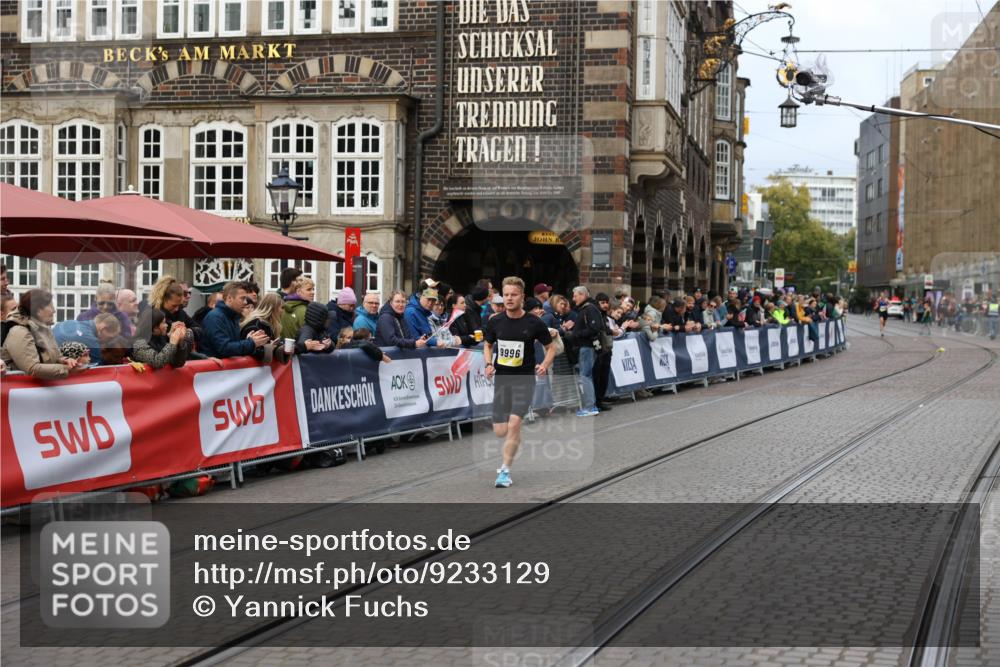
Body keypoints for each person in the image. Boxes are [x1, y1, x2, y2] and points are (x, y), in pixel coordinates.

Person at [483, 276, 556, 488]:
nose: (509, 298)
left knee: (514, 423)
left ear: (522, 297)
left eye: (513, 295)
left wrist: (545, 365)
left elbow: (550, 347)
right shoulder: (495, 321)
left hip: (524, 379)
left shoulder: (534, 322)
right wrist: (488, 364)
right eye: (506, 295)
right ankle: (515, 434)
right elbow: (487, 344)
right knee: (500, 431)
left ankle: (504, 471)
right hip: (502, 379)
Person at [2, 290, 85, 379]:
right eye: (50, 306)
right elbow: (32, 368)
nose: (54, 311)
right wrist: (66, 369)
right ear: (38, 310)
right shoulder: (19, 331)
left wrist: (66, 361)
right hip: (19, 389)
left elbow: (56, 357)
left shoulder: (44, 329)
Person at [562, 286, 606, 417]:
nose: (573, 299)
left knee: (585, 376)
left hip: (587, 346)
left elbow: (594, 328)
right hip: (587, 346)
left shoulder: (589, 309)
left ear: (582, 295)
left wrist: (576, 334)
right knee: (587, 376)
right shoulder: (587, 308)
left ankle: (590, 407)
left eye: (575, 296)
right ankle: (591, 406)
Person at [201, 281, 269, 358]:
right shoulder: (214, 317)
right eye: (242, 298)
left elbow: (233, 344)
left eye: (245, 299)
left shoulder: (233, 316)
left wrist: (249, 340)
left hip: (225, 368)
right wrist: (251, 342)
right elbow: (224, 348)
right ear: (229, 298)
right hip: (214, 369)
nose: (245, 302)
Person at [54, 312, 122, 364]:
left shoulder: (68, 322)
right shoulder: (92, 341)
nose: (108, 342)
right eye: (110, 338)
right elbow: (100, 370)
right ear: (103, 329)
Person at [241, 293, 289, 363]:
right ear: (273, 308)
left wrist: (281, 348)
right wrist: (270, 348)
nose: (283, 311)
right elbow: (252, 350)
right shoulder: (257, 324)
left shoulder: (268, 324)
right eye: (281, 307)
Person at [280, 276, 315, 341]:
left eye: (313, 289)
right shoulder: (305, 311)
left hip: (285, 348)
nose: (313, 292)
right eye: (309, 289)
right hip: (301, 349)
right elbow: (310, 337)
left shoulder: (283, 307)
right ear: (298, 291)